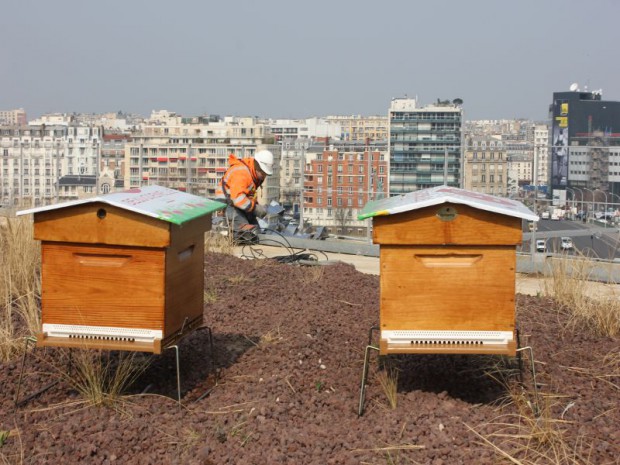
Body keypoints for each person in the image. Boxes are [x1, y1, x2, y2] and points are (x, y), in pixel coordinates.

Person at [215, 150, 273, 235]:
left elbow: (248, 194)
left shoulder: (252, 173)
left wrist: (256, 206)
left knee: (257, 233)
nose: (264, 177)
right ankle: (227, 236)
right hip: (226, 204)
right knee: (247, 234)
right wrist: (255, 208)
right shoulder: (242, 173)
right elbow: (238, 199)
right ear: (257, 167)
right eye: (263, 173)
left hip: (238, 205)